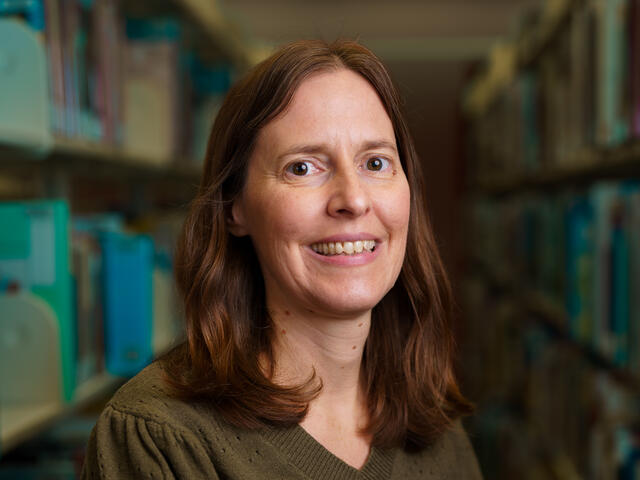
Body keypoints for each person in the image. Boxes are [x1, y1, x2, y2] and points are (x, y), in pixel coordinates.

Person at [81, 39, 483, 479]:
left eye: (375, 163)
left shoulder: (436, 429)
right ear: (235, 207)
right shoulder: (158, 437)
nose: (352, 199)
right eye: (303, 167)